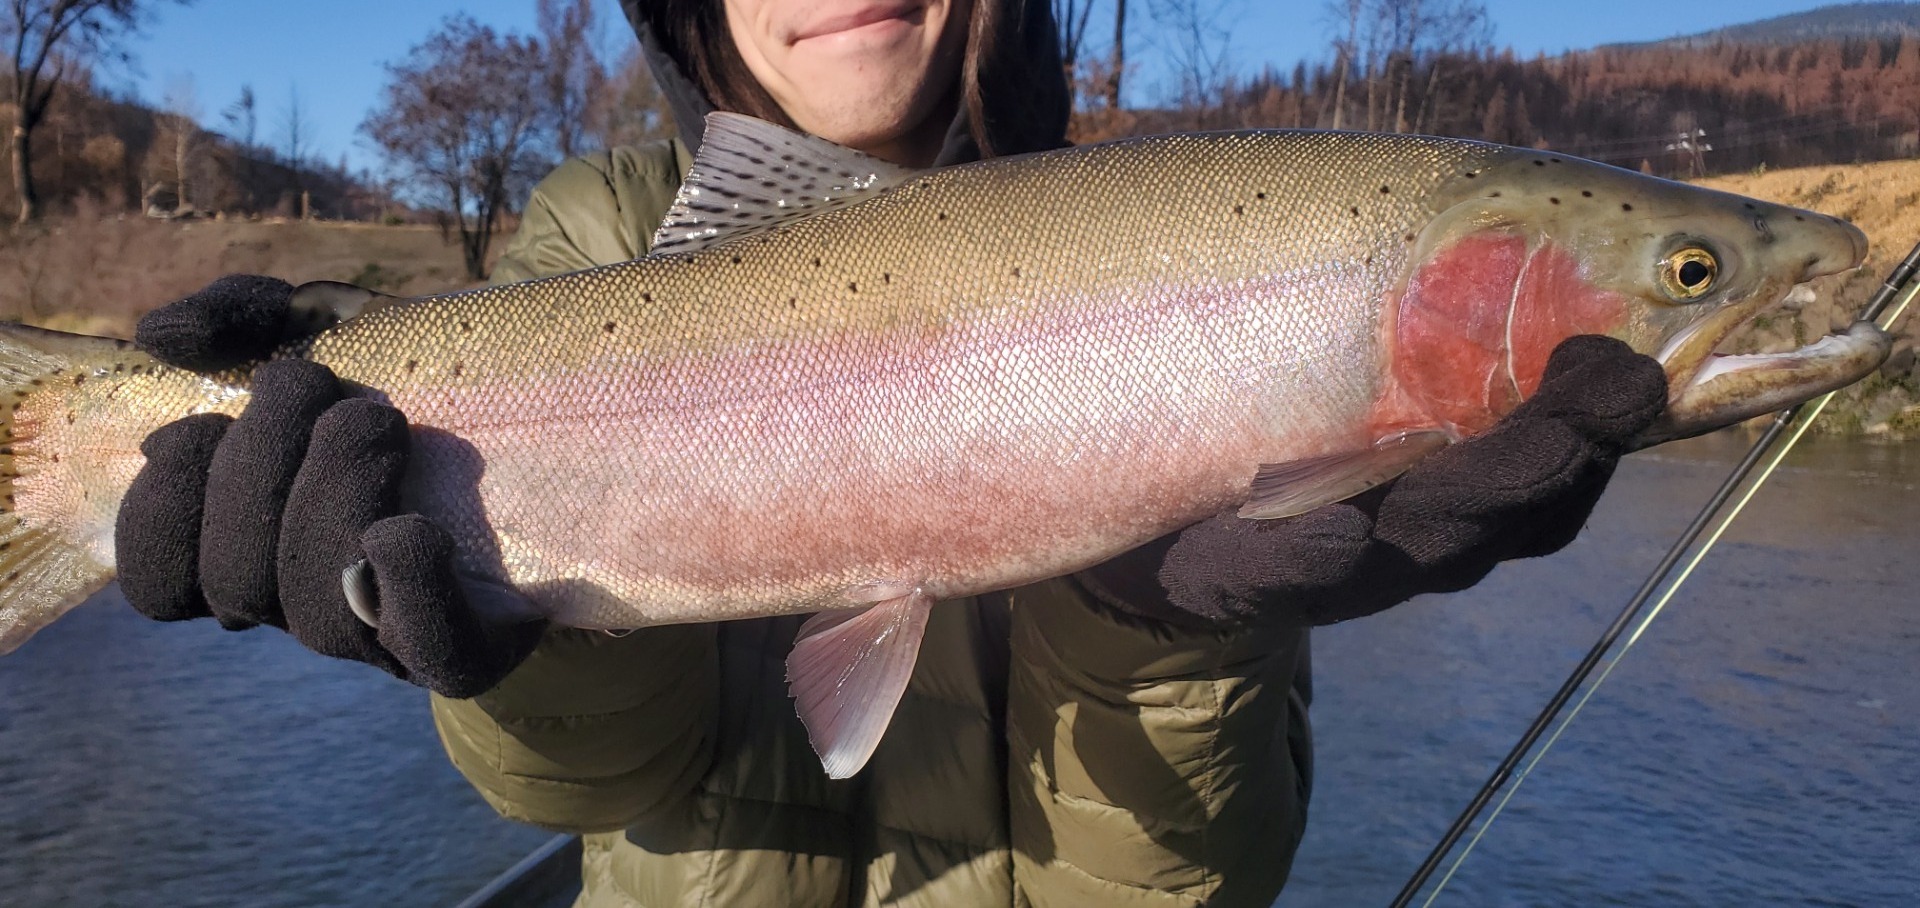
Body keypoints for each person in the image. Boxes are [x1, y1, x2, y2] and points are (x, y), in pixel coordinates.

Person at [113, 1, 1669, 905]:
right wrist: (514, 652)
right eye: (1683, 278)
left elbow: (1204, 877)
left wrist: (1162, 631)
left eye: (1684, 280)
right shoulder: (601, 236)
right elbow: (588, 786)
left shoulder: (1182, 225)